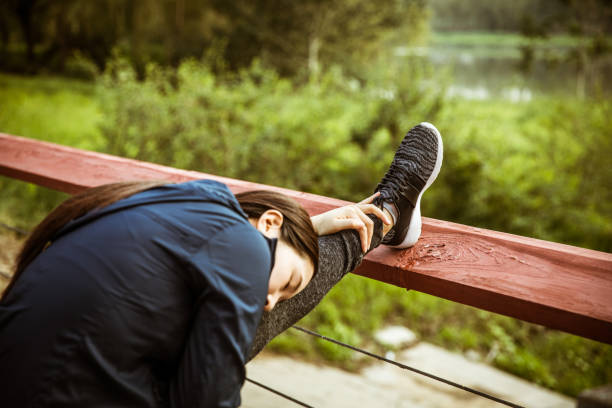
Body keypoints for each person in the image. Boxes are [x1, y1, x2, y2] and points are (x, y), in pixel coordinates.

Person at [0, 122, 442, 407]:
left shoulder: (176, 204)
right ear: (269, 222)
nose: (272, 303)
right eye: (287, 283)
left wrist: (304, 225)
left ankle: (386, 215)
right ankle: (387, 213)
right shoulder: (243, 246)